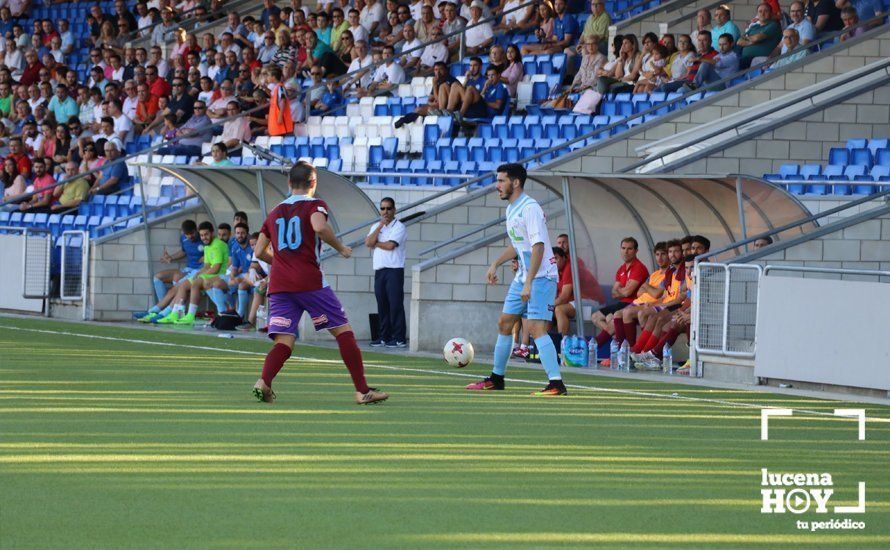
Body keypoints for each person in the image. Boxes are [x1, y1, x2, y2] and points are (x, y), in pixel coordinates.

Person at [251, 162, 389, 405]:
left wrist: (282, 262)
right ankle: (362, 390)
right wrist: (341, 247)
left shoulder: (274, 212)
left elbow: (260, 251)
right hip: (310, 282)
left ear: (288, 183)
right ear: (313, 183)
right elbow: (319, 226)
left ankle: (264, 381)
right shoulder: (315, 205)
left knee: (285, 340)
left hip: (280, 285)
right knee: (343, 331)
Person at [466, 163, 567, 396]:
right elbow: (517, 244)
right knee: (504, 322)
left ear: (516, 182)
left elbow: (539, 246)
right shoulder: (512, 209)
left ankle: (556, 384)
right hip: (524, 276)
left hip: (541, 277)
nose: (497, 185)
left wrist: (530, 281)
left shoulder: (530, 208)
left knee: (536, 327)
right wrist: (495, 263)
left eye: (501, 181)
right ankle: (497, 378)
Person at [135, 220, 205, 322]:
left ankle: (159, 312)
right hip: (187, 269)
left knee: (178, 285)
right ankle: (163, 308)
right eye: (187, 234)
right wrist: (171, 258)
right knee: (158, 277)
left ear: (196, 230)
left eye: (192, 233)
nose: (190, 236)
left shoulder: (204, 239)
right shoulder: (183, 239)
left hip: (198, 271)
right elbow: (183, 251)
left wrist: (205, 258)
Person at [590, 237, 649, 348]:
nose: (626, 252)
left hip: (632, 304)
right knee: (595, 317)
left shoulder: (639, 267)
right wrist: (623, 290)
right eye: (623, 248)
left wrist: (622, 290)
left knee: (611, 319)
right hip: (621, 303)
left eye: (629, 249)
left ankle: (593, 346)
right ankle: (617, 336)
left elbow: (627, 293)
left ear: (636, 251)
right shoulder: (621, 269)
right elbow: (614, 293)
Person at [365, 197, 408, 348]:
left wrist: (375, 243)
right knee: (382, 304)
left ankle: (399, 337)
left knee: (395, 304)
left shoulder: (399, 227)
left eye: (389, 208)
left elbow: (390, 246)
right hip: (380, 270)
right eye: (383, 208)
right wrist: (380, 227)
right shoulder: (376, 226)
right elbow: (367, 243)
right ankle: (384, 336)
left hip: (394, 270)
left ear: (394, 210)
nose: (386, 212)